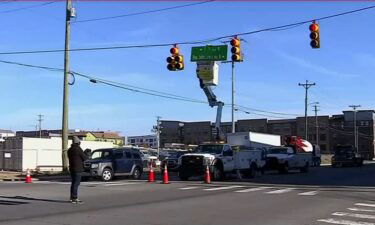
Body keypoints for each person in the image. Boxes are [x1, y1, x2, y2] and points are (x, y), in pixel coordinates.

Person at [67, 136, 87, 204]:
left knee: (73, 183)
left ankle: (72, 197)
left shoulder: (69, 150)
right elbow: (84, 158)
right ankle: (74, 198)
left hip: (72, 168)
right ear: (78, 142)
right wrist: (86, 154)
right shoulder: (78, 149)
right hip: (78, 169)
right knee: (76, 183)